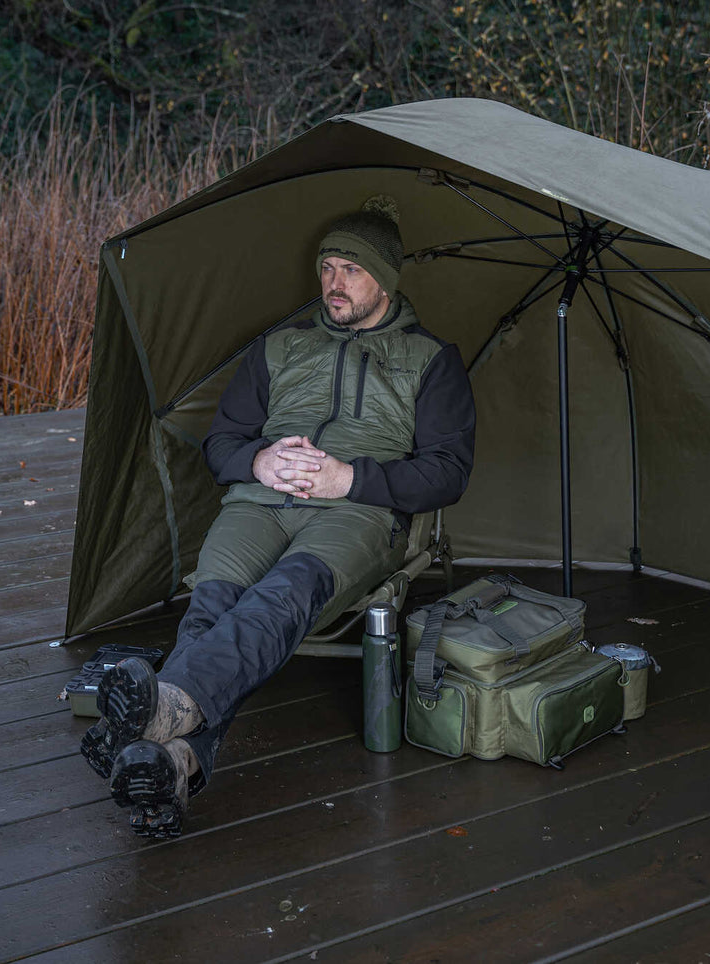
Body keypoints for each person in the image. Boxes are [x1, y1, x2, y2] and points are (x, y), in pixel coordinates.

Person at [81, 196, 476, 837]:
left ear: (385, 278)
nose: (333, 283)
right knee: (211, 607)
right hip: (258, 506)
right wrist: (258, 461)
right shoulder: (281, 348)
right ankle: (176, 760)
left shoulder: (431, 361)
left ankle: (162, 710)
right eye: (327, 269)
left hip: (356, 514)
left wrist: (352, 476)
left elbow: (447, 472)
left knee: (280, 595)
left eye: (350, 269)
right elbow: (221, 444)